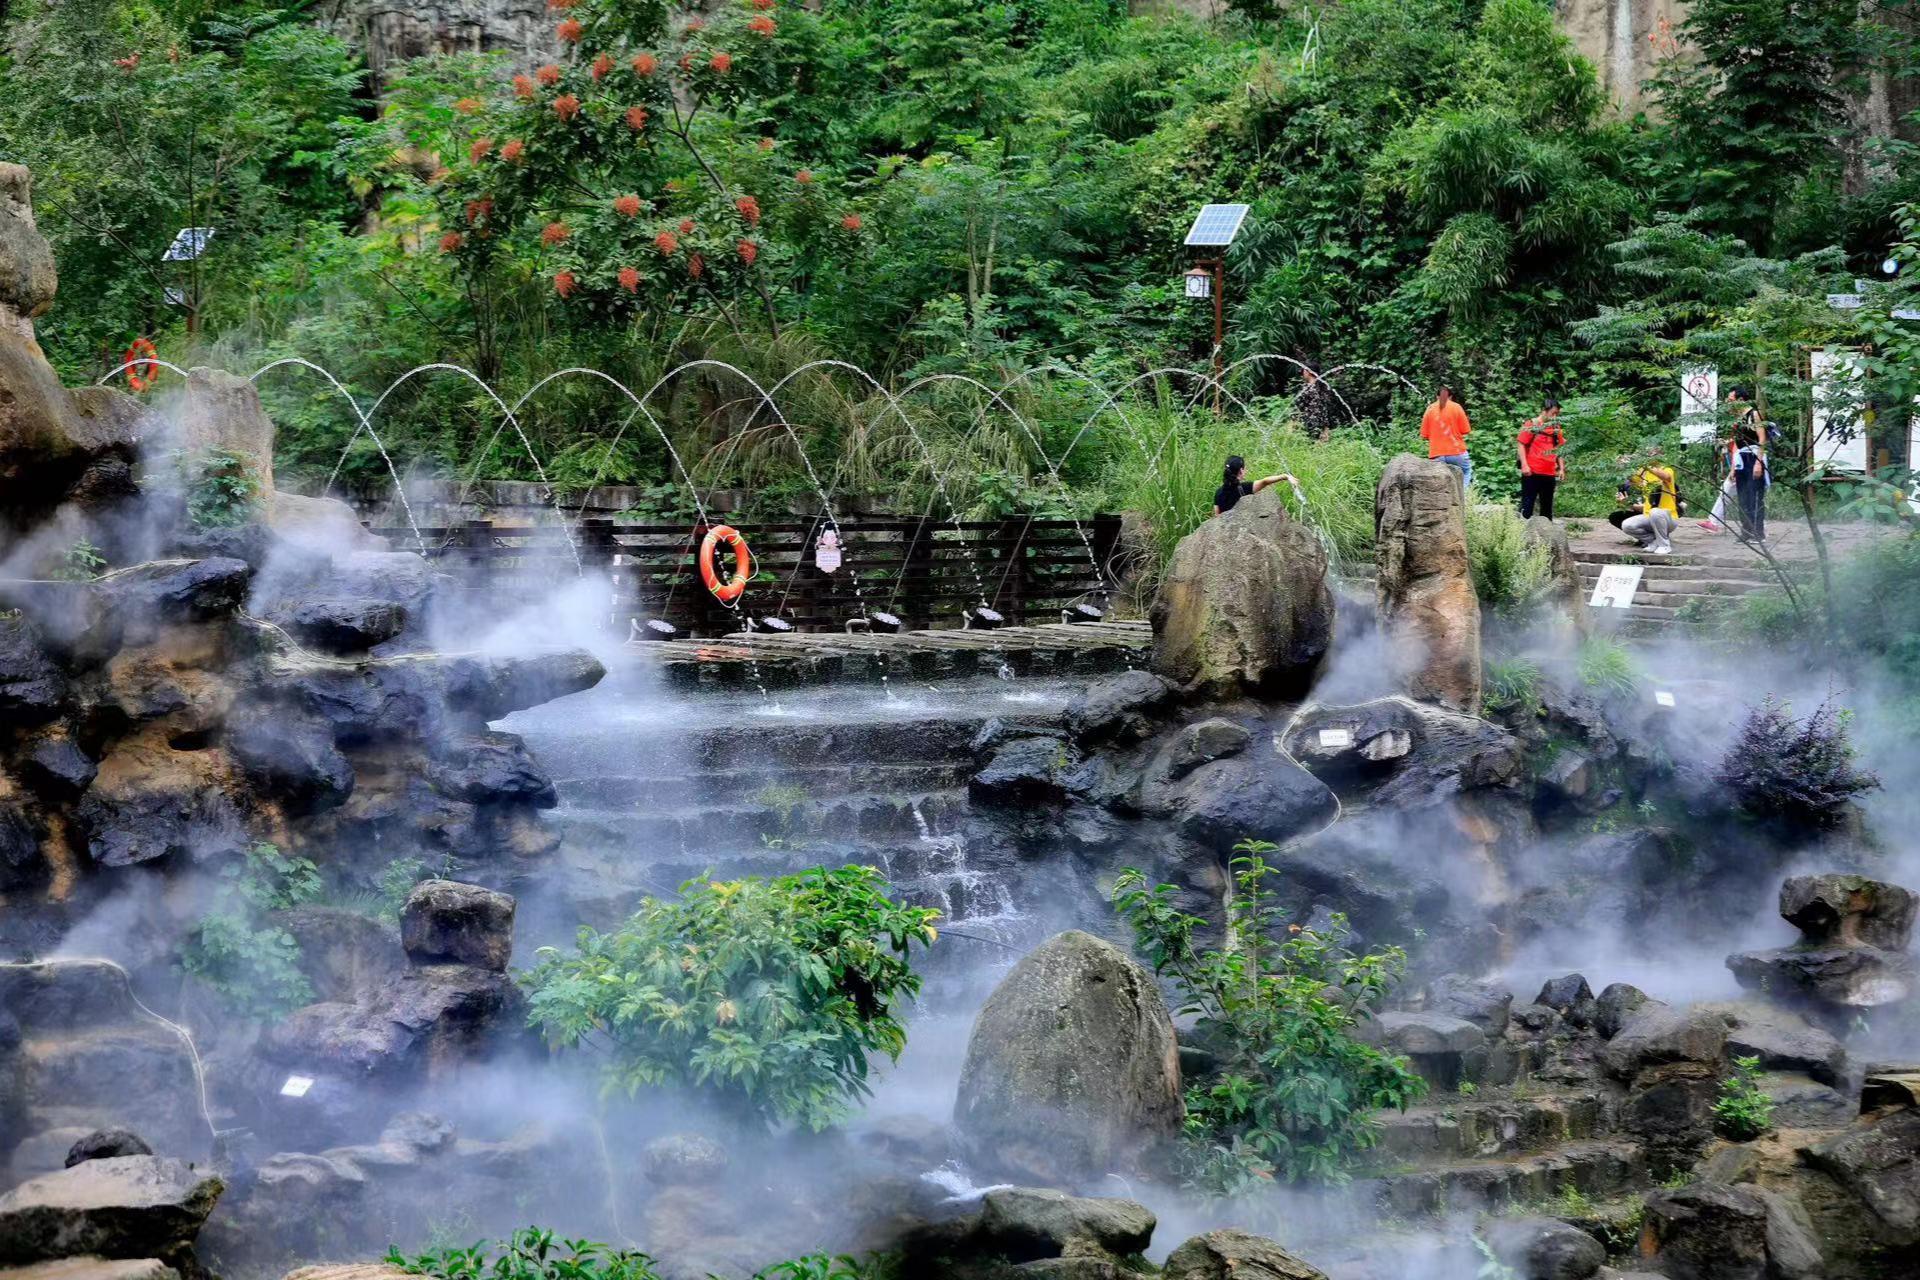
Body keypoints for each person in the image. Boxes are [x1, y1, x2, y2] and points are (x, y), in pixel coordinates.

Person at [1516, 398, 1565, 520]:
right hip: (1532, 472)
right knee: (1527, 506)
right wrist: (1524, 465)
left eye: (1557, 414)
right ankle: (1522, 536)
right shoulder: (1531, 425)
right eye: (1553, 413)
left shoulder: (1556, 428)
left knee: (1547, 508)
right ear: (1544, 411)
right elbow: (1521, 444)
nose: (1555, 417)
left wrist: (1562, 468)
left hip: (1549, 472)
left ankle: (1546, 536)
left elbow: (1561, 449)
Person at [1421, 385, 1473, 489]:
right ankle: (1464, 498)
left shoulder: (1430, 409)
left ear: (1437, 397)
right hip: (1457, 451)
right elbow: (1466, 430)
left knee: (1439, 484)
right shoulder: (1457, 407)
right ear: (1450, 397)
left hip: (1436, 454)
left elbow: (1424, 435)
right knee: (1466, 472)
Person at [1212, 455, 1296, 517]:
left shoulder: (1218, 492)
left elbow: (1217, 516)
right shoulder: (1245, 488)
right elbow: (1265, 481)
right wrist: (1285, 476)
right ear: (1241, 470)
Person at [1733, 424, 1768, 544]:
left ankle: (1758, 532)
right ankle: (1746, 531)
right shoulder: (1734, 418)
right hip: (1741, 457)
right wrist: (1733, 468)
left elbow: (1762, 439)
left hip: (1753, 456)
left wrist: (1758, 462)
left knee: (1755, 496)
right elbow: (1735, 445)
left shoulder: (1753, 414)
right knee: (1743, 497)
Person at [1627, 446, 1680, 517]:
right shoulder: (1644, 472)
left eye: (1651, 454)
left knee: (1655, 512)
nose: (1648, 457)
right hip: (1647, 515)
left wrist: (1647, 466)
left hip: (1667, 515)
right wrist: (1624, 465)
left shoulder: (1667, 469)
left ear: (1660, 457)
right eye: (1648, 454)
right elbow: (1632, 480)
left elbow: (1666, 476)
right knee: (1627, 524)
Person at [1609, 506, 1677, 554]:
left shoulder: (1663, 486)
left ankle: (1664, 545)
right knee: (1627, 524)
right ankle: (1653, 541)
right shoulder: (1627, 487)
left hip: (1668, 517)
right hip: (1646, 514)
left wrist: (1632, 505)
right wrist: (1624, 503)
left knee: (1655, 512)